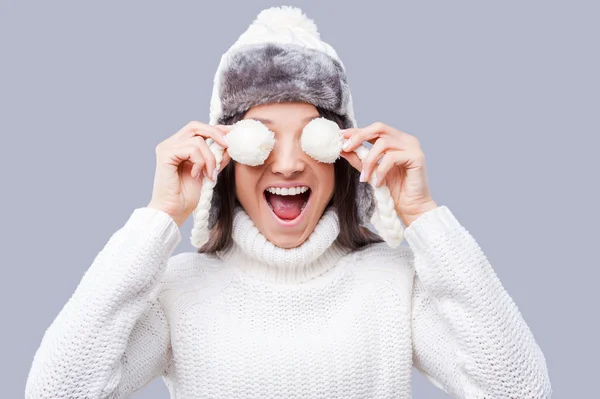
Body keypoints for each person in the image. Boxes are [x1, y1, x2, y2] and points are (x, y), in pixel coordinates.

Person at [25, 6, 552, 399]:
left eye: (311, 136)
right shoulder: (178, 291)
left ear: (342, 151)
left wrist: (423, 217)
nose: (287, 164)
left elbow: (520, 390)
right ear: (225, 151)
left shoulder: (395, 283)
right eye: (261, 136)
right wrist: (160, 217)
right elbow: (57, 392)